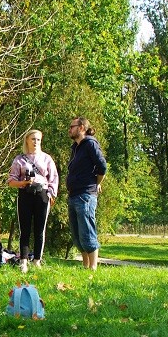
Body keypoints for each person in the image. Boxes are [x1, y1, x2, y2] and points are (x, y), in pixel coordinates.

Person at [7, 128, 59, 272]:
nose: (35, 142)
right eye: (33, 139)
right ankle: (23, 260)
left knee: (40, 229)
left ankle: (37, 260)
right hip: (25, 194)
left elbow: (54, 178)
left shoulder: (46, 158)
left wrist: (50, 194)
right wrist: (23, 183)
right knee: (24, 229)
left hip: (42, 194)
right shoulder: (19, 159)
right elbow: (11, 181)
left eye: (38, 139)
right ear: (27, 141)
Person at [67, 116, 107, 271]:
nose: (70, 129)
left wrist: (97, 184)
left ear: (82, 127)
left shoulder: (90, 144)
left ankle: (93, 268)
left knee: (87, 231)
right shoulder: (75, 148)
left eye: (72, 126)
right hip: (74, 194)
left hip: (86, 195)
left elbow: (102, 166)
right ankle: (85, 266)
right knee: (77, 234)